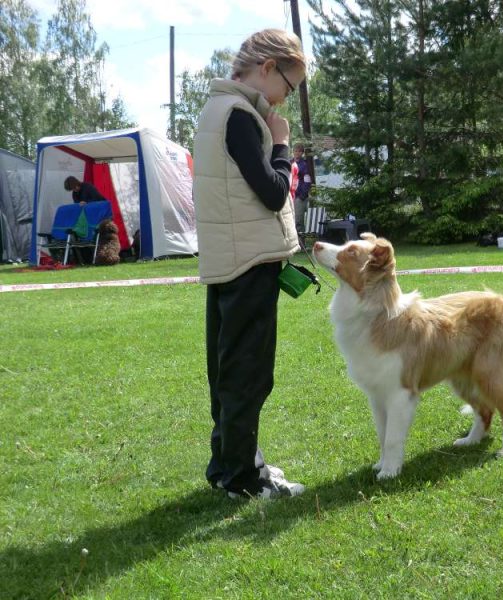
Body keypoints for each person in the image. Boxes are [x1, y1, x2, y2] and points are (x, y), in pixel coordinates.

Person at [193, 28, 306, 500]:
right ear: (266, 68)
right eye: (289, 85)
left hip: (227, 262)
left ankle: (230, 464)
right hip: (249, 263)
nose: (287, 98)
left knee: (228, 371)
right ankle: (242, 479)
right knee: (248, 374)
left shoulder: (215, 110)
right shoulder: (241, 116)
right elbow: (273, 191)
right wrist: (281, 145)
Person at [291, 143, 311, 231]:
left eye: (299, 151)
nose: (297, 153)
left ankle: (301, 243)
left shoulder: (305, 164)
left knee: (298, 222)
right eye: (295, 151)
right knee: (291, 221)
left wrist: (302, 196)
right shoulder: (289, 162)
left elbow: (307, 181)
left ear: (302, 153)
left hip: (299, 197)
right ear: (293, 151)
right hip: (290, 197)